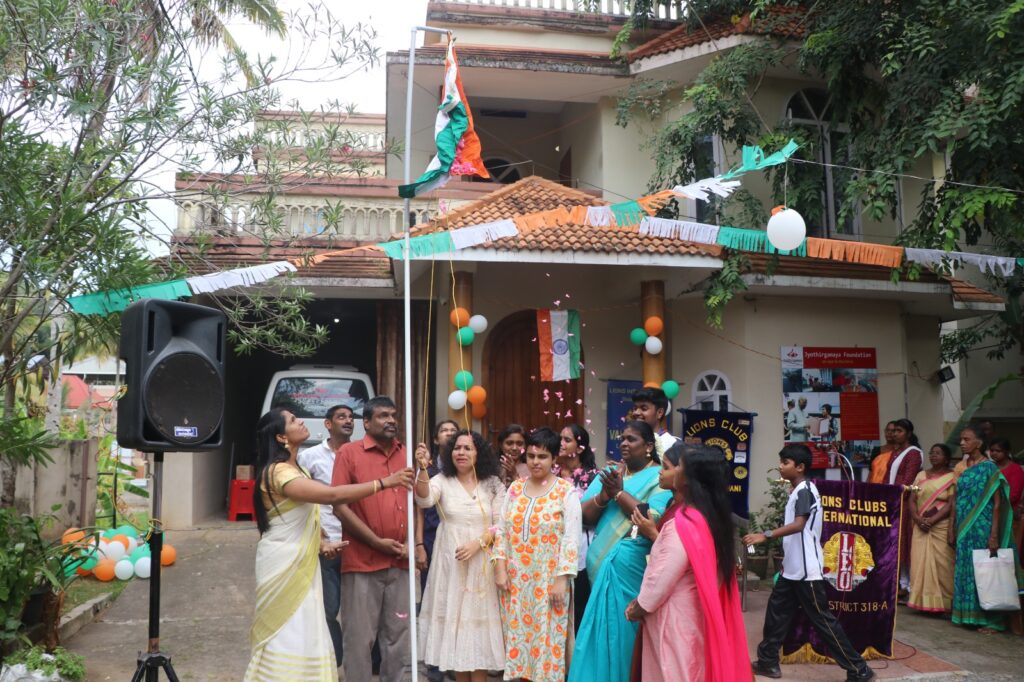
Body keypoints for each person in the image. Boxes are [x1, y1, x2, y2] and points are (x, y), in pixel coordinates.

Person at [245, 408, 412, 682]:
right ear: (281, 436)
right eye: (294, 420)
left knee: (308, 629)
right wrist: (384, 482)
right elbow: (331, 495)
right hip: (283, 563)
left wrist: (322, 541)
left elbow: (305, 516)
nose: (301, 422)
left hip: (304, 561)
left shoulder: (295, 468)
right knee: (288, 630)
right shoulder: (277, 472)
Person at [746, 444, 875, 682]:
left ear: (800, 467)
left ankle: (859, 669)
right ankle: (768, 662)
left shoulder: (804, 490)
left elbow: (799, 524)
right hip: (792, 570)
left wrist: (765, 535)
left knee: (823, 622)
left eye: (785, 463)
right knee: (776, 614)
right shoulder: (798, 490)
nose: (781, 467)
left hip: (807, 572)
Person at [626, 445, 750, 682]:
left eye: (679, 465)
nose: (673, 470)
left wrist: (639, 607)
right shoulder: (711, 518)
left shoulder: (683, 523)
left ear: (689, 480)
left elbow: (661, 578)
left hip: (674, 620)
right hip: (696, 614)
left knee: (673, 673)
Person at [568, 421, 673, 682]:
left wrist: (618, 494)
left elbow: (651, 515)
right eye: (622, 438)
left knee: (626, 634)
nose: (624, 443)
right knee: (600, 634)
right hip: (599, 567)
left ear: (649, 446)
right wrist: (604, 495)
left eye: (632, 439)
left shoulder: (659, 477)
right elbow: (582, 515)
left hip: (632, 569)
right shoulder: (611, 473)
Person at [331, 396, 417, 682]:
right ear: (366, 422)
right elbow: (339, 505)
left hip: (401, 560)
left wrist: (416, 545)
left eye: (393, 415)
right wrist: (375, 541)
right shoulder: (349, 453)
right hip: (362, 561)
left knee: (399, 637)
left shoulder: (407, 454)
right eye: (382, 416)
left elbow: (417, 500)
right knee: (359, 640)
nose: (391, 420)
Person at [415, 430, 506, 682]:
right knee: (455, 633)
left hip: (482, 566)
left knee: (476, 633)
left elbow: (501, 524)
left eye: (468, 448)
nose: (461, 453)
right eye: (457, 448)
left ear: (479, 453)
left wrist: (478, 543)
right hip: (450, 566)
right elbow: (423, 500)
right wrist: (422, 470)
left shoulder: (493, 484)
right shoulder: (442, 480)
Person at [493, 427, 581, 682]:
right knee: (518, 643)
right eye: (531, 456)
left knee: (547, 645)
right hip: (515, 582)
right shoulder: (515, 490)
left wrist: (562, 579)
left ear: (554, 458)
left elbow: (571, 537)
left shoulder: (565, 492)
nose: (535, 462)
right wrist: (499, 568)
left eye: (542, 456)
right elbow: (502, 530)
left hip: (549, 581)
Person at [297, 404, 355, 667]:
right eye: (341, 417)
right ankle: (335, 662)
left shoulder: (360, 453)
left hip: (358, 543)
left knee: (359, 612)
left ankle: (366, 661)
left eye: (351, 417)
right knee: (330, 609)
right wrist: (320, 538)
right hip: (327, 543)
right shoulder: (309, 457)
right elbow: (303, 501)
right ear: (328, 424)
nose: (348, 421)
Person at [949, 425, 1019, 633]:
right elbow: (956, 499)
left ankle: (992, 621)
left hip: (982, 527)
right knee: (966, 570)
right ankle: (968, 616)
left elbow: (998, 503)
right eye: (961, 439)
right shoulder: (962, 467)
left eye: (966, 439)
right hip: (963, 528)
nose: (962, 443)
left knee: (986, 572)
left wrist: (994, 534)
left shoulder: (989, 468)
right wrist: (952, 527)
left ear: (979, 442)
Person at [416, 419, 458, 682]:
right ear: (435, 439)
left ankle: (453, 658)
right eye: (444, 430)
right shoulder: (427, 470)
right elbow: (419, 509)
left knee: (456, 601)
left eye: (454, 431)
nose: (450, 434)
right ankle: (433, 661)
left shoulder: (467, 468)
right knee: (434, 600)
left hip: (460, 544)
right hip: (432, 540)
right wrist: (419, 543)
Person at [557, 424, 600, 631]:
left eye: (567, 440)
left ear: (580, 448)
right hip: (553, 545)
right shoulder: (553, 473)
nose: (561, 443)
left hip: (582, 545)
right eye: (561, 439)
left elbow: (594, 514)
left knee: (579, 604)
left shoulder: (593, 477)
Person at [907, 444, 957, 613]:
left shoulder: (952, 477)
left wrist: (932, 520)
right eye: (931, 453)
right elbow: (912, 498)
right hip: (920, 525)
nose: (933, 456)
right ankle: (923, 604)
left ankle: (945, 604)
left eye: (938, 453)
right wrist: (917, 518)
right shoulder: (920, 475)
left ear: (947, 458)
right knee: (919, 562)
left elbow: (951, 503)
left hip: (940, 526)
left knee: (944, 565)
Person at [886, 418, 923, 596]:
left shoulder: (913, 453)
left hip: (903, 503)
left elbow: (908, 481)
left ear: (908, 433)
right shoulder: (895, 452)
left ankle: (906, 584)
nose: (894, 434)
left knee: (904, 542)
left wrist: (895, 499)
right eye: (894, 431)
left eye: (899, 431)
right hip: (892, 502)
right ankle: (897, 582)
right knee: (894, 542)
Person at [989, 438, 1024, 549]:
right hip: (989, 514)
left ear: (1006, 452)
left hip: (1007, 513)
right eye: (992, 450)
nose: (993, 453)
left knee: (1006, 548)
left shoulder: (1015, 469)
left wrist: (994, 503)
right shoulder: (989, 468)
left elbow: (1014, 495)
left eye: (998, 451)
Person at [630, 387, 679, 458]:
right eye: (635, 408)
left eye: (644, 409)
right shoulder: (631, 442)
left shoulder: (673, 445)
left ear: (659, 413)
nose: (636, 412)